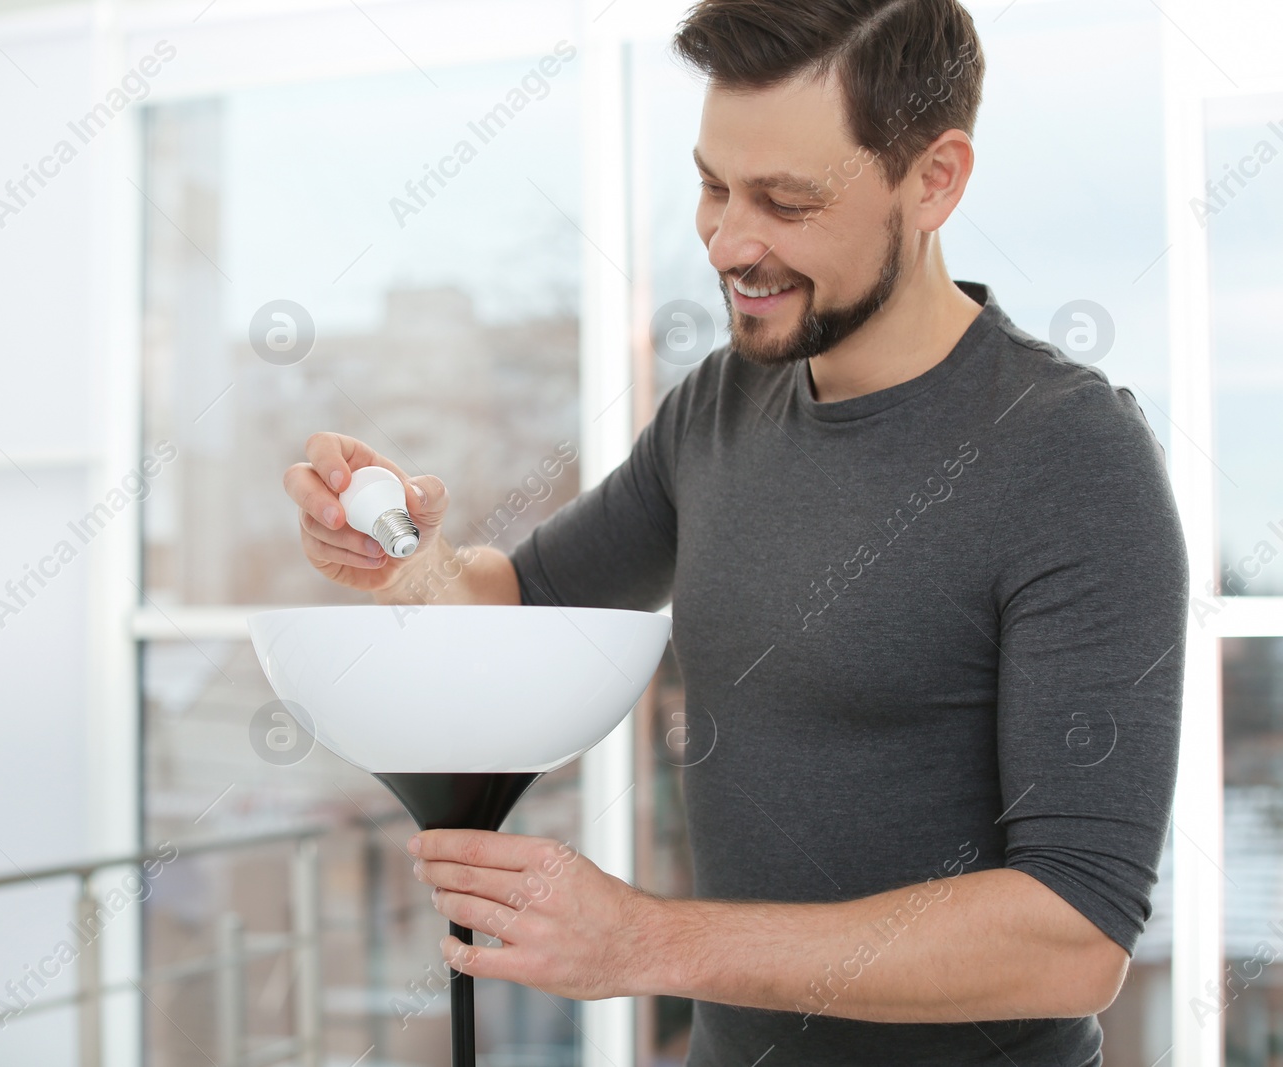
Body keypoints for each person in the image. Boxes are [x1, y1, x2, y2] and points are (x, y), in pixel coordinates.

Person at [283, 1, 1187, 1063]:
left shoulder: (1070, 459)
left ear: (934, 180)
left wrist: (651, 941)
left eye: (785, 202)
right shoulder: (719, 406)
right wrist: (396, 554)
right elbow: (517, 607)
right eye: (713, 185)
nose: (727, 241)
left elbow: (1071, 936)